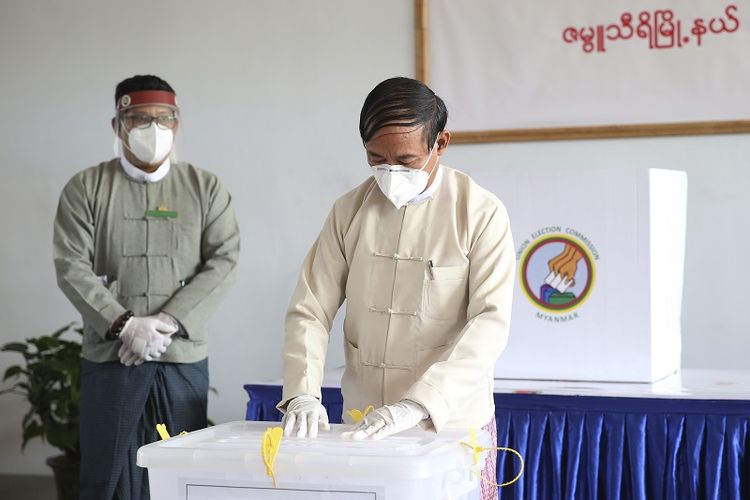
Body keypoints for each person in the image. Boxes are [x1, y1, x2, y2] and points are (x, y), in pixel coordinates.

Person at [278, 76, 514, 499]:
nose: (390, 173)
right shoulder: (349, 211)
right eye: (375, 159)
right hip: (363, 424)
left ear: (440, 144)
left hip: (450, 424)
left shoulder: (479, 212)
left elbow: (489, 324)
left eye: (405, 161)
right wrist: (302, 394)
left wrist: (419, 403)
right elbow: (310, 309)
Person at [53, 74, 240, 500]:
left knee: (181, 471)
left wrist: (168, 321)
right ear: (117, 125)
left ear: (177, 124)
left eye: (163, 119)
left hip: (180, 357)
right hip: (111, 355)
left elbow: (224, 261)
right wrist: (124, 324)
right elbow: (70, 265)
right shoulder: (86, 188)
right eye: (139, 119)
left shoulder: (205, 188)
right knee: (107, 473)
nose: (152, 130)